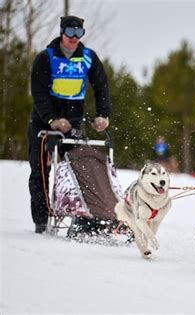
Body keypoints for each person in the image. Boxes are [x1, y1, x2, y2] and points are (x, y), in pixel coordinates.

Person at [28, 16, 111, 234]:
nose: (74, 38)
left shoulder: (88, 58)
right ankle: (41, 219)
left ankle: (84, 216)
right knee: (40, 171)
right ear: (62, 33)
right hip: (43, 125)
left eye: (79, 33)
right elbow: (38, 93)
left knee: (80, 168)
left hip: (73, 125)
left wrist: (103, 115)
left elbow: (101, 87)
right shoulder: (45, 58)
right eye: (70, 33)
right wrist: (52, 120)